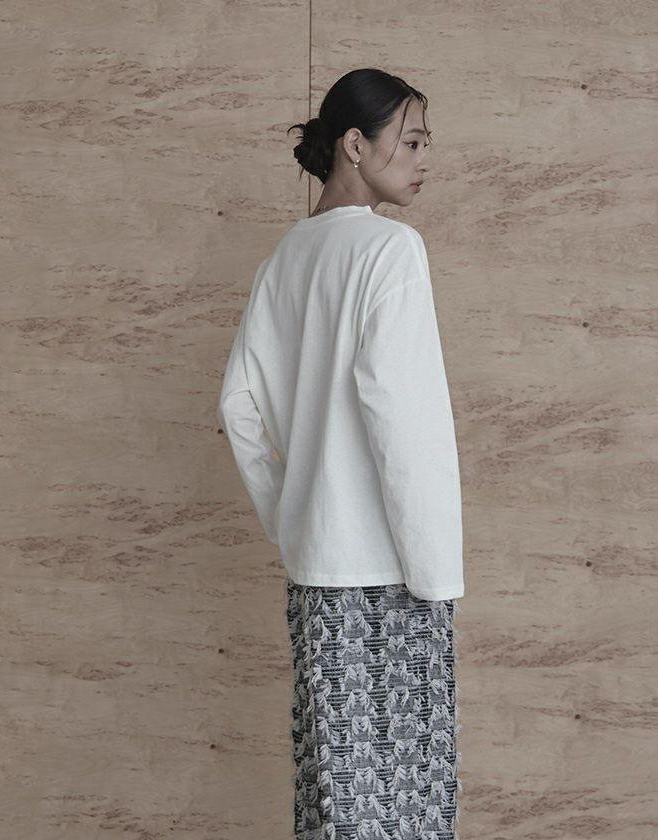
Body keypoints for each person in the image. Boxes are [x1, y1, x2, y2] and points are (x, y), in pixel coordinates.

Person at [217, 67, 464, 840]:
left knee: (335, 802)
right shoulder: (389, 250)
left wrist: (294, 519)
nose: (424, 159)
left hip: (316, 577)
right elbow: (404, 419)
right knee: (404, 811)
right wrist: (436, 576)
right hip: (393, 573)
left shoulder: (284, 260)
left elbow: (238, 406)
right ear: (355, 145)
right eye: (412, 142)